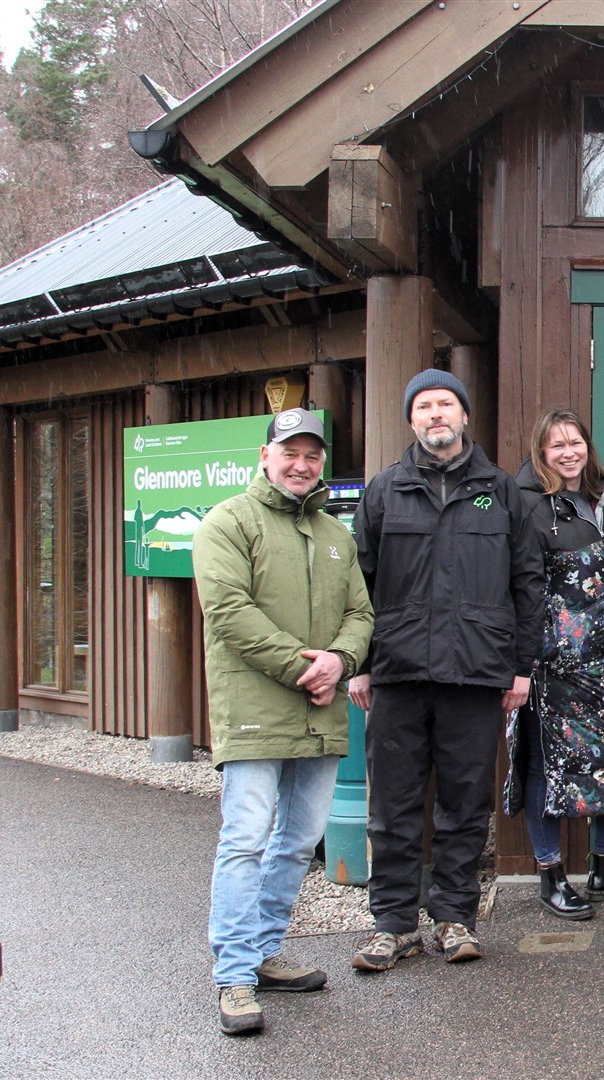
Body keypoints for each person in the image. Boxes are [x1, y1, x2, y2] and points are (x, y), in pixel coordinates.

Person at [348, 369, 540, 970]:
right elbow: (357, 585)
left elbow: (527, 583)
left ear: (464, 416)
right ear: (412, 420)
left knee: (464, 803)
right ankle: (393, 925)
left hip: (476, 671)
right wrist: (359, 663)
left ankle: (455, 918)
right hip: (398, 671)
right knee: (394, 805)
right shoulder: (384, 491)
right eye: (424, 406)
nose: (436, 414)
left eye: (446, 404)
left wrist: (521, 667)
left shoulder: (502, 491)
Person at [193, 407, 373, 1035]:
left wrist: (342, 658)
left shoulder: (334, 533)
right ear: (265, 456)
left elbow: (361, 612)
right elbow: (227, 610)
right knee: (245, 839)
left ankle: (264, 952)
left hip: (319, 716)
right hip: (255, 712)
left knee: (298, 841)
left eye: (312, 455)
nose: (301, 465)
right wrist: (309, 668)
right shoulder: (228, 521)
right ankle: (235, 976)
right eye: (290, 452)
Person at [506, 406, 604, 920]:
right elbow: (523, 591)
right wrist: (526, 663)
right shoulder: (531, 508)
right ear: (541, 453)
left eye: (576, 442)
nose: (568, 452)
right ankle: (550, 876)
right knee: (548, 770)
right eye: (557, 445)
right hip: (556, 671)